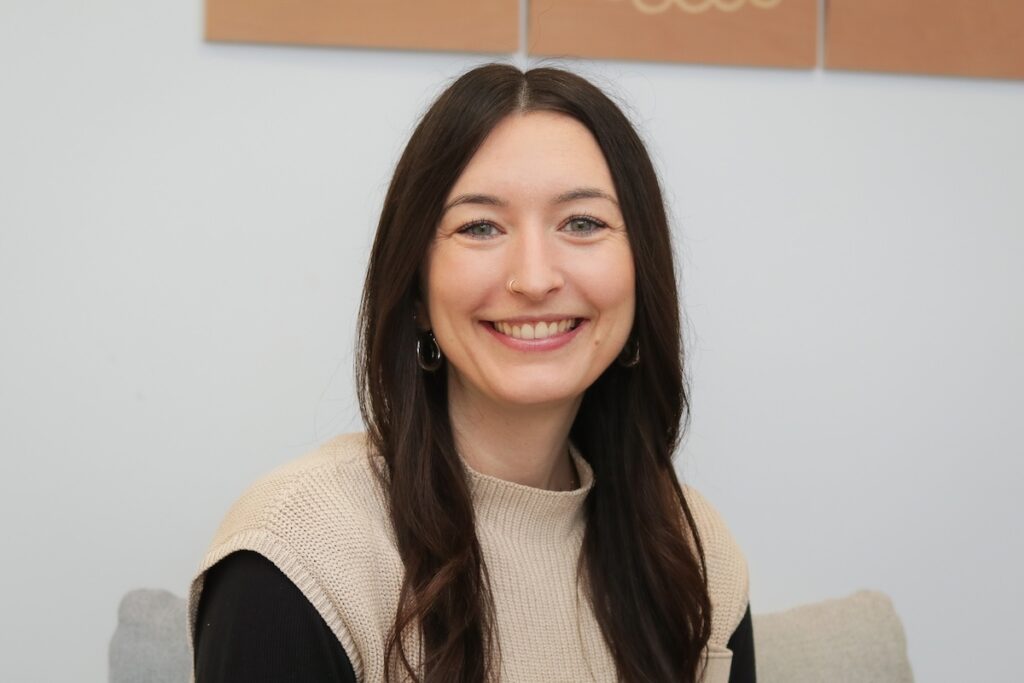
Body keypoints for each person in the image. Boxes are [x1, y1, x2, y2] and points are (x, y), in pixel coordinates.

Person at [189, 63, 755, 683]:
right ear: (415, 285)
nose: (534, 278)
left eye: (583, 223)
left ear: (641, 270)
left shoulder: (692, 551)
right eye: (480, 226)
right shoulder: (299, 554)